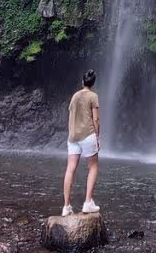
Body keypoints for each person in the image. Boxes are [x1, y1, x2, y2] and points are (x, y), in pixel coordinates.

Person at [62, 69, 100, 216]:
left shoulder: (75, 96)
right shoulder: (93, 96)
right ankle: (88, 202)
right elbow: (96, 119)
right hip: (87, 134)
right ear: (93, 83)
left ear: (82, 82)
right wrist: (98, 137)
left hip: (73, 137)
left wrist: (70, 133)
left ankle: (66, 207)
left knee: (70, 168)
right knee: (93, 167)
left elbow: (70, 116)